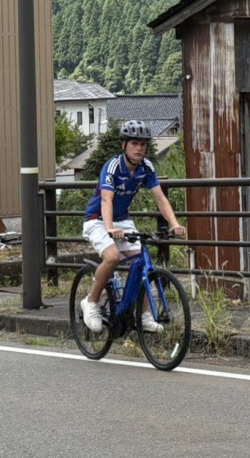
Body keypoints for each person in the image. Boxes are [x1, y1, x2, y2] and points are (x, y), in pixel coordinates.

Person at [78, 120, 186, 334]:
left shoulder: (146, 168)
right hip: (97, 219)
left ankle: (144, 314)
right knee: (112, 257)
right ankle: (91, 302)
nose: (139, 148)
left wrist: (174, 223)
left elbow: (160, 198)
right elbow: (106, 200)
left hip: (122, 220)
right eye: (134, 143)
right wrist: (109, 228)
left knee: (142, 263)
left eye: (143, 144)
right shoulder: (113, 166)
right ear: (124, 146)